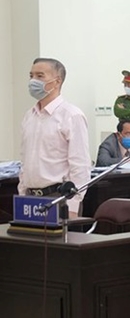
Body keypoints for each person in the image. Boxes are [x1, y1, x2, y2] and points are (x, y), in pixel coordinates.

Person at [19, 57, 91, 217]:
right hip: (30, 198)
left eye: (40, 76)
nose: (33, 81)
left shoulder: (71, 115)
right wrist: (22, 194)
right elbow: (25, 160)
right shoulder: (29, 116)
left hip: (59, 196)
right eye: (31, 76)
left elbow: (80, 165)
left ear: (57, 81)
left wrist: (73, 204)